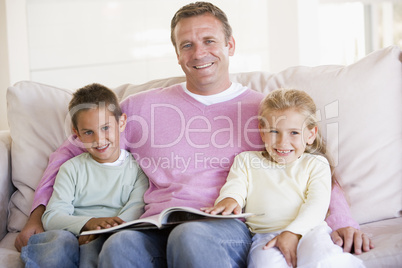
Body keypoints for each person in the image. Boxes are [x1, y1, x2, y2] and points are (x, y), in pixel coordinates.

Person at [16, 2, 373, 267]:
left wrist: (341, 221)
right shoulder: (140, 108)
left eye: (209, 41)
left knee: (190, 236)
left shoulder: (264, 110)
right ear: (176, 54)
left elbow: (312, 162)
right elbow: (70, 150)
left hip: (221, 226)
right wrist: (36, 214)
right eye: (187, 45)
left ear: (230, 45)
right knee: (118, 246)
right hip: (152, 222)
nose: (199, 53)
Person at [202, 89, 365, 268]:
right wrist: (229, 199)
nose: (282, 142)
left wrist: (293, 232)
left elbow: (317, 204)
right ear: (262, 132)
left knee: (325, 261)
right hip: (265, 236)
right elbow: (235, 185)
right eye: (274, 131)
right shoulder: (246, 160)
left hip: (309, 231)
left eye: (294, 133)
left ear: (310, 135)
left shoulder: (316, 164)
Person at [21, 83, 149, 267]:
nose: (99, 140)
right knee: (57, 243)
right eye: (89, 132)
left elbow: (135, 210)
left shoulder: (137, 169)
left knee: (109, 245)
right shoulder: (71, 169)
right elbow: (52, 217)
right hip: (72, 233)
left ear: (121, 123)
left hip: (112, 235)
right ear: (77, 134)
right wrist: (88, 224)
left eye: (106, 128)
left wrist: (100, 231)